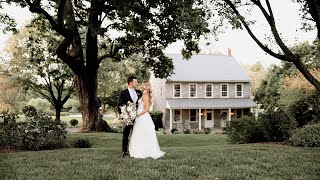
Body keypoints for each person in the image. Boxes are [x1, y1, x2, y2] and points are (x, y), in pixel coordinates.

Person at [129, 80, 165, 159]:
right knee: (140, 133)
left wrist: (138, 115)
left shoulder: (145, 96)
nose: (140, 86)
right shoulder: (144, 94)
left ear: (145, 86)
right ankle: (140, 150)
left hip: (143, 117)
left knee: (141, 133)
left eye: (142, 84)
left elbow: (146, 109)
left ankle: (143, 151)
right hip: (141, 116)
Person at [117, 76, 142, 157]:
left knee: (137, 134)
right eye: (135, 82)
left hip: (138, 117)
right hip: (128, 117)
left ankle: (135, 150)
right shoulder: (123, 93)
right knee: (126, 134)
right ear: (130, 83)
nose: (137, 83)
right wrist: (125, 116)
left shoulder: (139, 92)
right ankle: (124, 151)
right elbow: (120, 105)